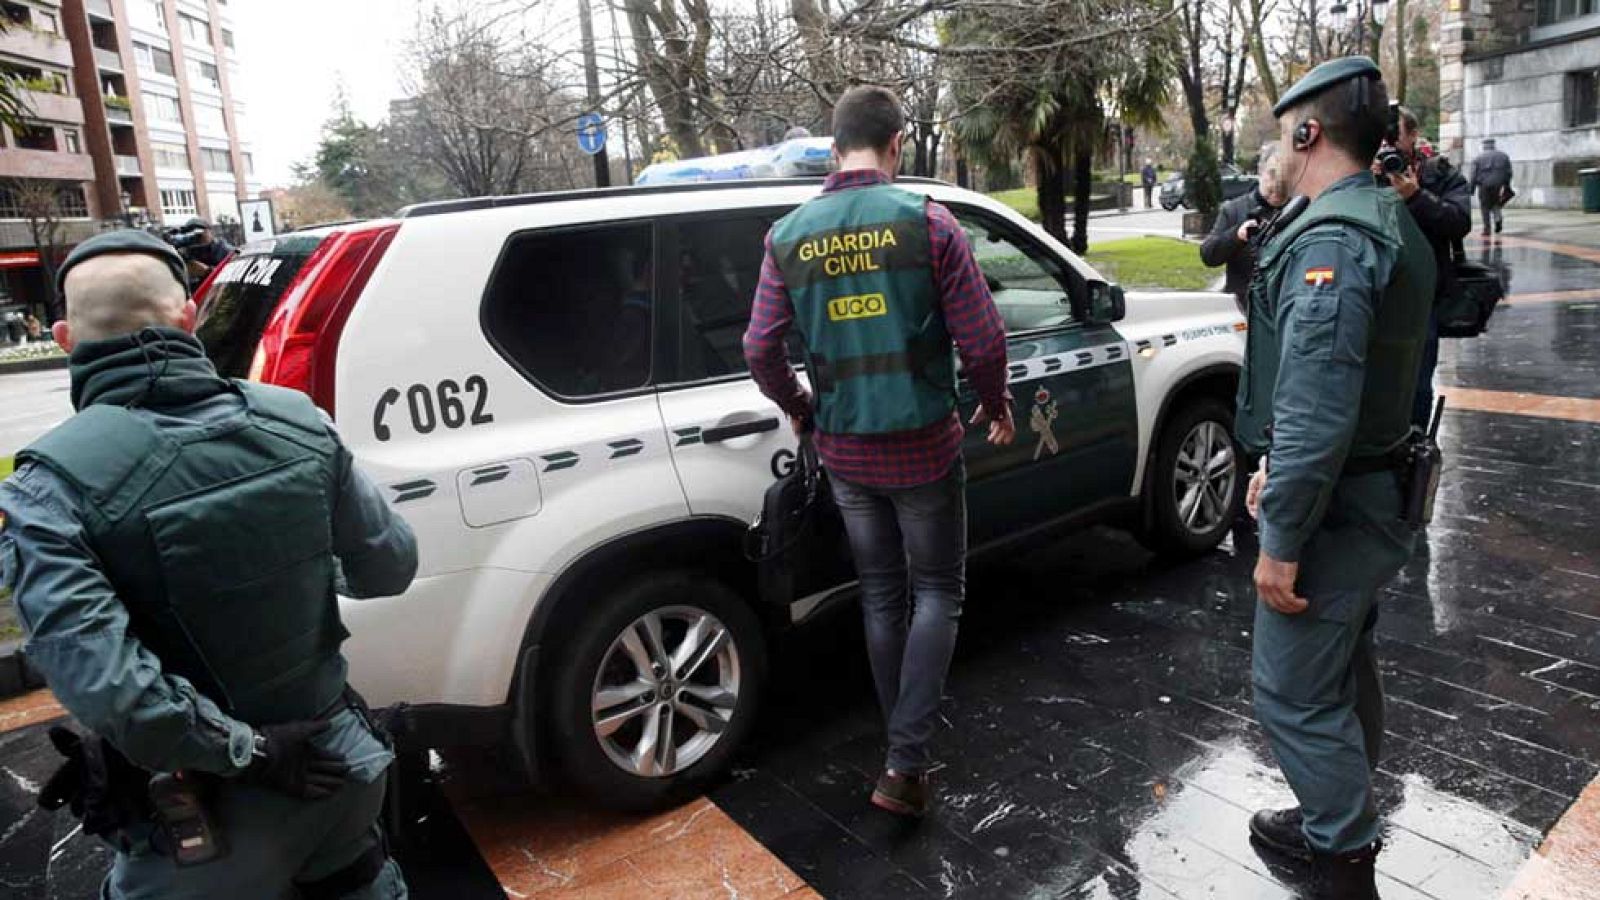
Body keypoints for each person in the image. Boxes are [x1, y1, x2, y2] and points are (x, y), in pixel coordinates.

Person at [1, 229, 418, 899]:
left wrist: (251, 752)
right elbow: (390, 566)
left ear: (64, 339)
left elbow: (123, 699)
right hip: (342, 767)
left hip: (211, 828)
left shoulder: (49, 490)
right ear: (189, 318)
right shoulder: (299, 421)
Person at [743, 84, 1014, 819]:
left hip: (847, 453)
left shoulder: (787, 236)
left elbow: (760, 347)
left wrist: (804, 408)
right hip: (925, 447)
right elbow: (984, 339)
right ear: (897, 145)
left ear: (835, 150)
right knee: (940, 592)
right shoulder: (927, 222)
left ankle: (903, 748)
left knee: (883, 593)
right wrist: (995, 404)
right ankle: (905, 760)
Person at [1234, 57, 1435, 900]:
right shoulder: (1381, 216)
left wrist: (1281, 538)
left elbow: (1318, 408)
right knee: (1343, 664)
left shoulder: (1333, 240)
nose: (1282, 146)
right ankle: (1332, 813)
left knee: (1292, 693)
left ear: (1309, 132)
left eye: (1286, 132)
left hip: (1339, 511)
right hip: (1369, 488)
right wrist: (1279, 464)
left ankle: (1343, 858)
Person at [1376, 106, 1473, 428]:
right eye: (1380, 139)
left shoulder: (1439, 173)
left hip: (1422, 294)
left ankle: (1414, 442)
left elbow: (1459, 222)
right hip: (1374, 290)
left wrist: (1416, 197)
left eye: (1395, 137)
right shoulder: (1363, 171)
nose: (1387, 146)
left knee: (1417, 381)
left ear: (1413, 136)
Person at [1200, 145, 1287, 313]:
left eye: (1285, 176)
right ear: (1260, 171)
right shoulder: (1233, 210)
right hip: (1243, 310)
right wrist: (1236, 236)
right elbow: (1208, 255)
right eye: (1273, 174)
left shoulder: (1298, 209)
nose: (1278, 184)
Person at [1469, 138, 1513, 236]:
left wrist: (1471, 189)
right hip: (1498, 184)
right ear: (1493, 145)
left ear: (1484, 146)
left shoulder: (1478, 158)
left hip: (1484, 185)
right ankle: (1498, 219)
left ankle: (1487, 229)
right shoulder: (1503, 156)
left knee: (1484, 206)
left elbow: (1473, 175)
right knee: (1496, 203)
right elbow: (1509, 172)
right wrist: (1506, 185)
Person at [179, 217, 234, 287]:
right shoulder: (188, 253)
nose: (196, 237)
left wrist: (208, 271)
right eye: (190, 234)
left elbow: (234, 277)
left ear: (211, 232)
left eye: (199, 232)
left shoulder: (226, 251)